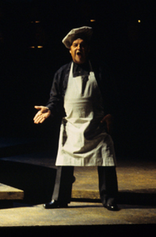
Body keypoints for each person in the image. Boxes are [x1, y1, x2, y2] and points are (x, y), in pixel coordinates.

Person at [33, 26, 119, 211]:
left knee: (106, 157)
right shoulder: (62, 73)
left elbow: (113, 96)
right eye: (75, 45)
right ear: (70, 49)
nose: (79, 48)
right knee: (64, 160)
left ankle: (109, 198)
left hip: (96, 126)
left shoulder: (101, 70)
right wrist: (49, 109)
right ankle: (60, 199)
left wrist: (110, 113)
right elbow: (55, 99)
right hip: (72, 125)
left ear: (88, 49)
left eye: (82, 45)